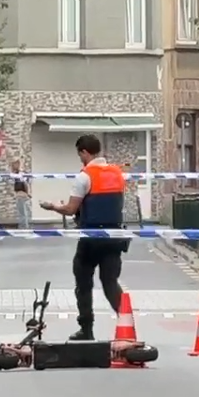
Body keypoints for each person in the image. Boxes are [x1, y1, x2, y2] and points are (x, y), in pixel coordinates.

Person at [40, 134, 128, 340]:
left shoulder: (84, 177)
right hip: (115, 236)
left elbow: (71, 209)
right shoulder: (117, 174)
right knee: (110, 283)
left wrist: (52, 206)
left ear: (84, 152)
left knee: (83, 283)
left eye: (80, 154)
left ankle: (86, 329)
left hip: (91, 237)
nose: (80, 159)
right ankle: (127, 323)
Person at [11, 160, 32, 228]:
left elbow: (25, 184)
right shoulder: (16, 174)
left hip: (21, 194)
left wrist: (28, 193)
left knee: (22, 212)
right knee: (23, 212)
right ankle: (24, 226)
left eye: (14, 165)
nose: (12, 167)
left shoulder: (21, 174)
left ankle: (24, 227)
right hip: (20, 194)